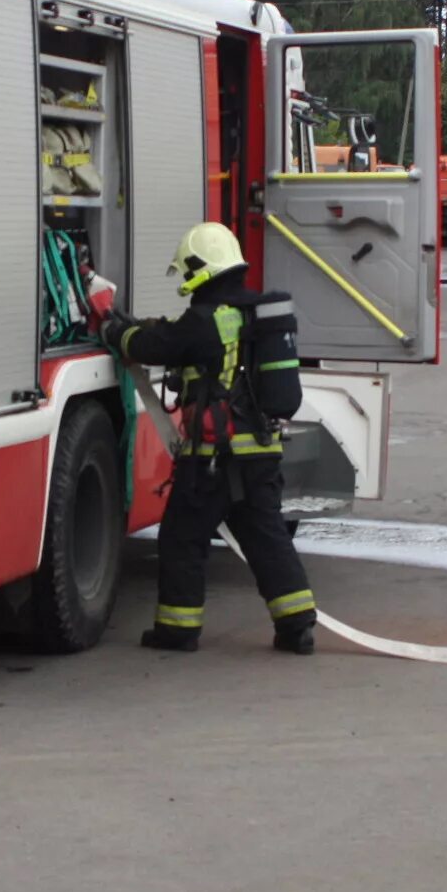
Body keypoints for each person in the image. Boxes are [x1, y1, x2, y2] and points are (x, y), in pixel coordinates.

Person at [99, 222, 318, 654]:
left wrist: (115, 331)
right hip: (260, 453)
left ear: (200, 269)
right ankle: (298, 626)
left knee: (183, 537)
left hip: (213, 460)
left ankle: (177, 630)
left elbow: (153, 346)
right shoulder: (257, 314)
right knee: (266, 537)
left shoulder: (205, 320)